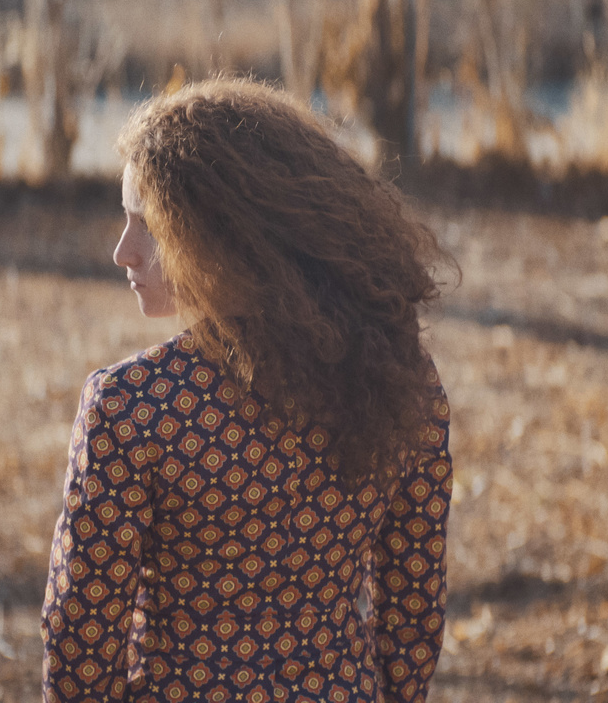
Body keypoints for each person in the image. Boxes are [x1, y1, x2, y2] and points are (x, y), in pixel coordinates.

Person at [41, 78, 453, 703]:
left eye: (148, 226)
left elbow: (81, 637)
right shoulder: (403, 384)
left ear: (229, 237)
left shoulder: (131, 409)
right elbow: (414, 612)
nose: (121, 251)